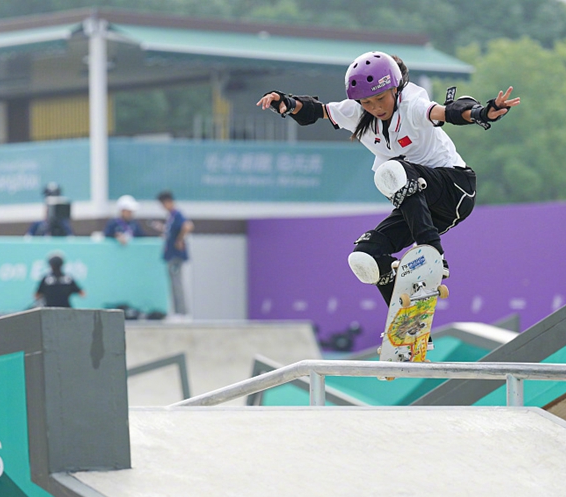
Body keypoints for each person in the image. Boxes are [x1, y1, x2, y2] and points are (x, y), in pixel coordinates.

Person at [256, 51, 519, 308]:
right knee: (365, 257)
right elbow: (318, 110)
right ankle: (405, 319)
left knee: (392, 171)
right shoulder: (357, 112)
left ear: (395, 89)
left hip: (455, 189)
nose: (375, 108)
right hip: (421, 210)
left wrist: (481, 113)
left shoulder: (412, 105)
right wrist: (288, 103)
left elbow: (447, 112)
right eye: (367, 103)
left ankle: (433, 254)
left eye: (380, 99)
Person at [157, 189, 194, 316]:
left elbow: (188, 226)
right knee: (173, 283)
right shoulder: (171, 216)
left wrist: (179, 239)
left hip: (176, 255)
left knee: (177, 283)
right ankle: (177, 311)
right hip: (170, 254)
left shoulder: (177, 214)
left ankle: (182, 312)